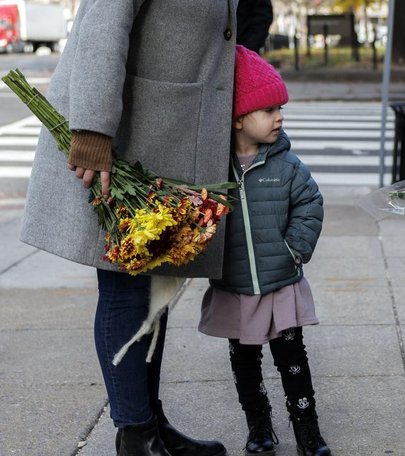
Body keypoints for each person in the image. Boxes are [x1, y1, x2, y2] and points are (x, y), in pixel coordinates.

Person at [19, 1, 236, 455]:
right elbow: (102, 24)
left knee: (154, 292)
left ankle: (149, 425)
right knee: (125, 289)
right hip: (128, 133)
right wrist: (93, 128)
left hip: (166, 131)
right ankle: (136, 436)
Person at [198, 45, 330, 456]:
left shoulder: (287, 166)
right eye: (269, 109)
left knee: (293, 361)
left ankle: (308, 430)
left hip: (280, 284)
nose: (279, 117)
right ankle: (259, 428)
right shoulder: (212, 171)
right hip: (235, 284)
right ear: (238, 118)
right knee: (245, 365)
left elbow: (310, 204)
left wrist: (294, 249)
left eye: (280, 109)